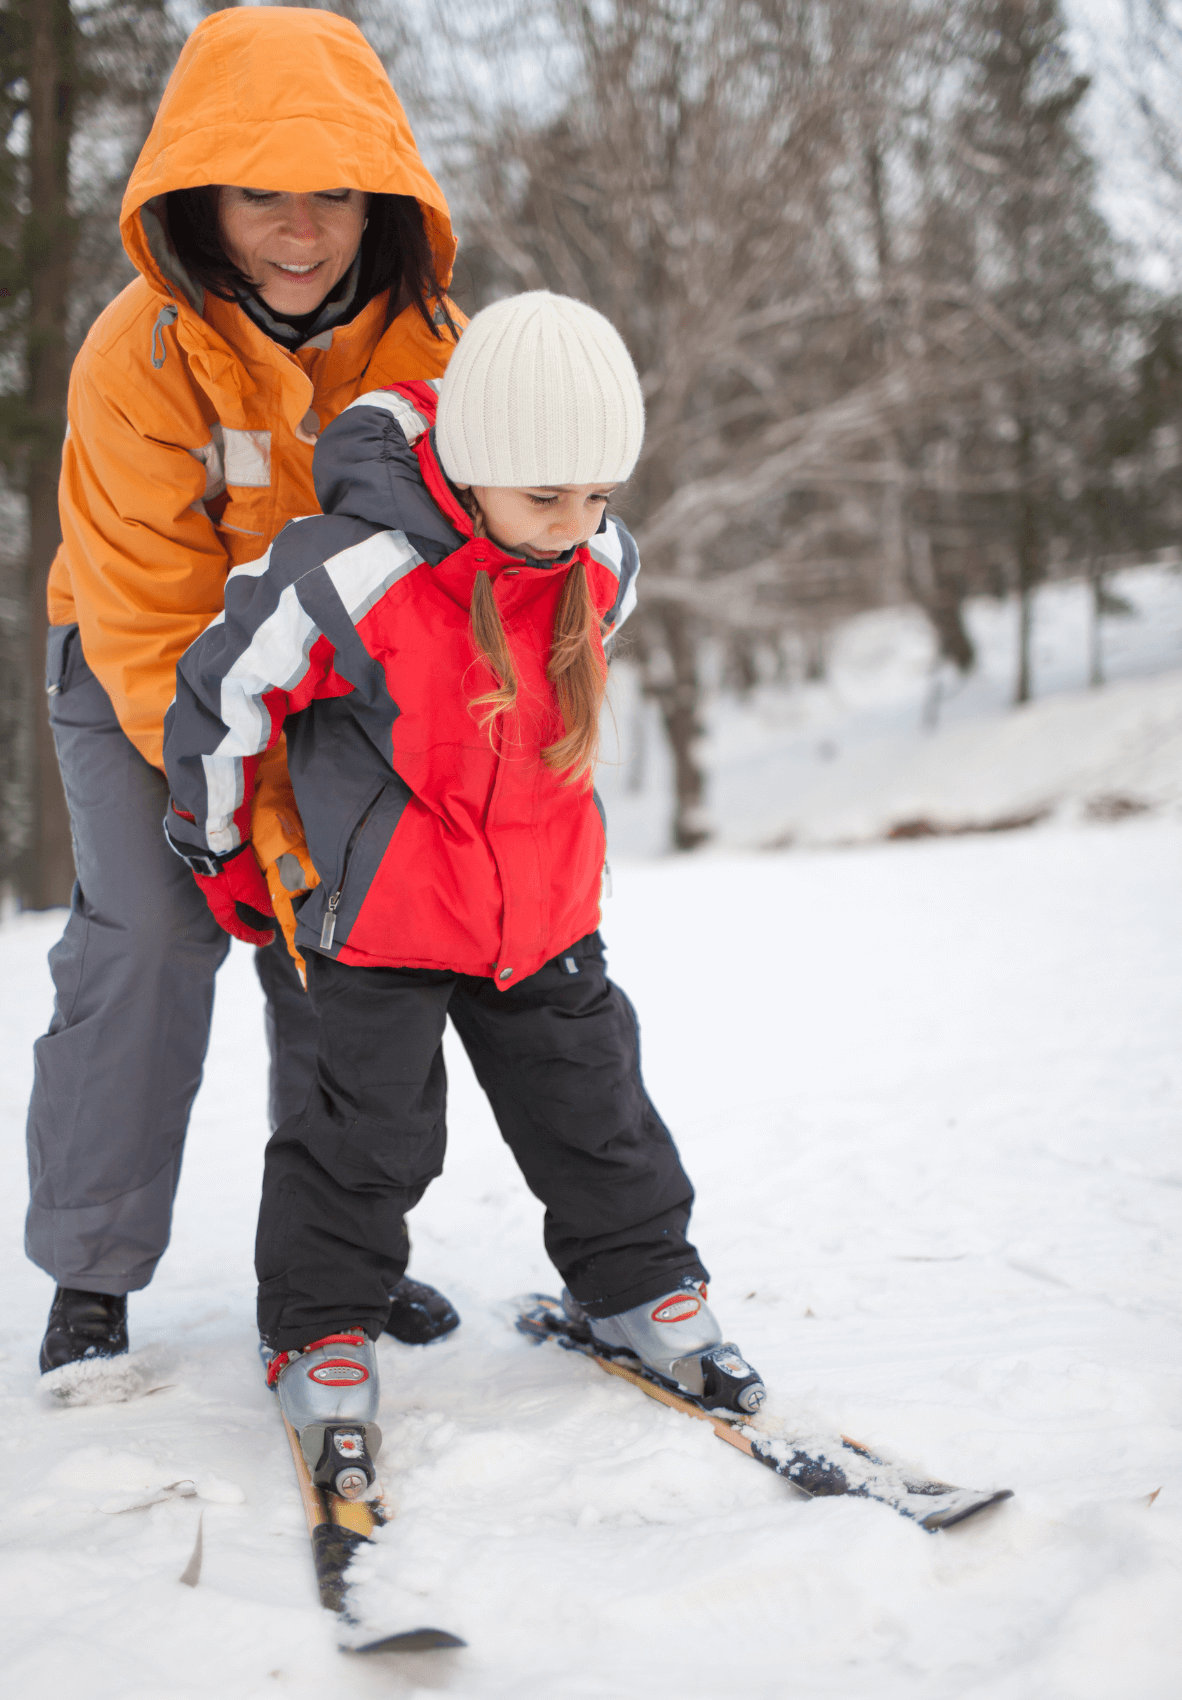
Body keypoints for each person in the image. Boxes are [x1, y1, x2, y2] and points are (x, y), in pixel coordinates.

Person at [161, 291, 766, 1498]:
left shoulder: (596, 559)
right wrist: (220, 846)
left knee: (597, 1114)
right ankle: (323, 1328)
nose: (575, 525)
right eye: (547, 495)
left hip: (543, 919)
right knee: (369, 1139)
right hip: (386, 922)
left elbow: (578, 638)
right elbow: (222, 699)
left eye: (598, 494)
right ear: (474, 463)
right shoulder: (351, 571)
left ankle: (642, 1289)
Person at [28, 7, 463, 1375]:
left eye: (333, 193)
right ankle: (93, 1271)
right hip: (136, 674)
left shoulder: (434, 353)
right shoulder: (135, 358)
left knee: (343, 946)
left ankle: (343, 1254)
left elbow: (461, 563)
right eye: (260, 192)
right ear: (196, 197)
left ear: (379, 197)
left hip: (341, 685)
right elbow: (152, 618)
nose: (299, 229)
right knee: (151, 940)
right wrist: (244, 809)